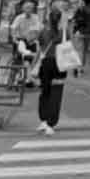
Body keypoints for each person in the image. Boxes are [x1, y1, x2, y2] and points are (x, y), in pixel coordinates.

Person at [34, 7, 71, 135]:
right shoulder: (64, 32)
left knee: (45, 92)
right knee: (56, 93)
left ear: (49, 18)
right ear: (60, 19)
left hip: (46, 64)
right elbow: (69, 46)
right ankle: (51, 123)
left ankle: (43, 119)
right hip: (60, 65)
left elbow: (39, 45)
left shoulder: (44, 31)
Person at [72, 0, 90, 74]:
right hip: (89, 33)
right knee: (84, 51)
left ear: (83, 1)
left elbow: (75, 19)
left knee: (78, 50)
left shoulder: (80, 9)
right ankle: (81, 67)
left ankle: (77, 67)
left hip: (80, 32)